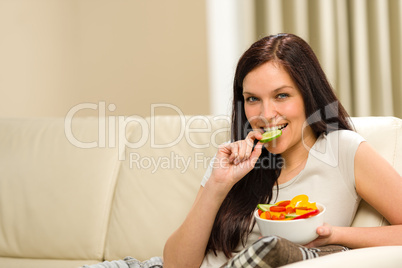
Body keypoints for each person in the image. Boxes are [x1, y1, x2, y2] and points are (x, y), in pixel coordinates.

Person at [163, 33, 402, 268]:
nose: (265, 115)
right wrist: (217, 184)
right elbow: (174, 265)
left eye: (282, 95)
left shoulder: (342, 150)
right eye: (252, 99)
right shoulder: (233, 159)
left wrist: (335, 235)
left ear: (309, 97)